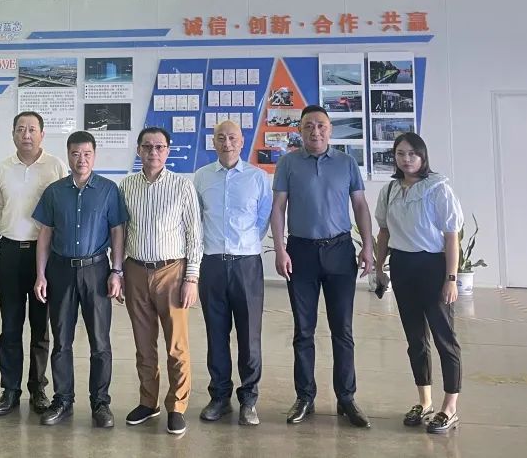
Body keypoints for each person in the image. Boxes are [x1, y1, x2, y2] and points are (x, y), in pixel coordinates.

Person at [271, 105, 374, 428]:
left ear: (330, 130)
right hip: (300, 252)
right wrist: (280, 249)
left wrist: (368, 246)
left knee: (342, 330)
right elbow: (278, 208)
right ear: (299, 130)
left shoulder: (346, 163)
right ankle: (305, 396)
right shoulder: (288, 163)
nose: (315, 131)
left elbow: (360, 205)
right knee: (303, 330)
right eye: (308, 126)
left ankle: (346, 397)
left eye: (321, 126)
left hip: (339, 252)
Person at [32, 131, 127, 427]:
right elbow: (45, 234)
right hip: (60, 271)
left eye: (86, 153)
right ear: (68, 155)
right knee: (62, 340)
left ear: (94, 156)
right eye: (75, 153)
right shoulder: (54, 191)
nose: (81, 159)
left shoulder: (109, 190)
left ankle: (100, 403)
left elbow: (118, 231)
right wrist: (40, 275)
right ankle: (63, 400)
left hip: (96, 271)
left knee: (100, 341)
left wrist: (117, 271)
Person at [374, 132, 464, 434]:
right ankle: (425, 402)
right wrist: (379, 268)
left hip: (433, 267)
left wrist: (451, 278)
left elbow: (451, 237)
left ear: (423, 156)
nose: (406, 159)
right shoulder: (389, 190)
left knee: (444, 339)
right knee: (415, 339)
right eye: (400, 153)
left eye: (412, 153)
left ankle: (449, 407)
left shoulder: (438, 188)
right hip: (403, 267)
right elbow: (384, 232)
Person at [120, 127, 202, 435]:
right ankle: (148, 402)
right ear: (139, 150)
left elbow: (195, 235)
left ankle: (177, 406)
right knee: (144, 345)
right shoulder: (126, 186)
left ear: (168, 150)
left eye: (159, 147)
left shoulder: (182, 186)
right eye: (147, 147)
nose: (153, 152)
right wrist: (117, 272)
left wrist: (191, 278)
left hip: (172, 272)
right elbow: (120, 233)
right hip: (135, 271)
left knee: (176, 346)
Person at [193, 121, 272, 426]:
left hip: (246, 264)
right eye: (221, 138)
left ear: (242, 141)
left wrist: (244, 244)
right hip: (212, 263)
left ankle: (248, 400)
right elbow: (196, 219)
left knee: (249, 336)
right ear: (213, 142)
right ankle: (219, 397)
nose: (226, 143)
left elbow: (263, 218)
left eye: (232, 138)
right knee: (216, 334)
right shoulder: (201, 177)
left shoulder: (257, 177)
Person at [0, 111, 67, 415]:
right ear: (13, 134)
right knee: (10, 325)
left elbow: (61, 209)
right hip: (10, 253)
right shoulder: (2, 169)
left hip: (43, 255)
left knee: (40, 325)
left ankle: (38, 389)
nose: (26, 134)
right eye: (20, 129)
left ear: (42, 134)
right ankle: (10, 389)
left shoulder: (55, 166)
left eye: (32, 129)